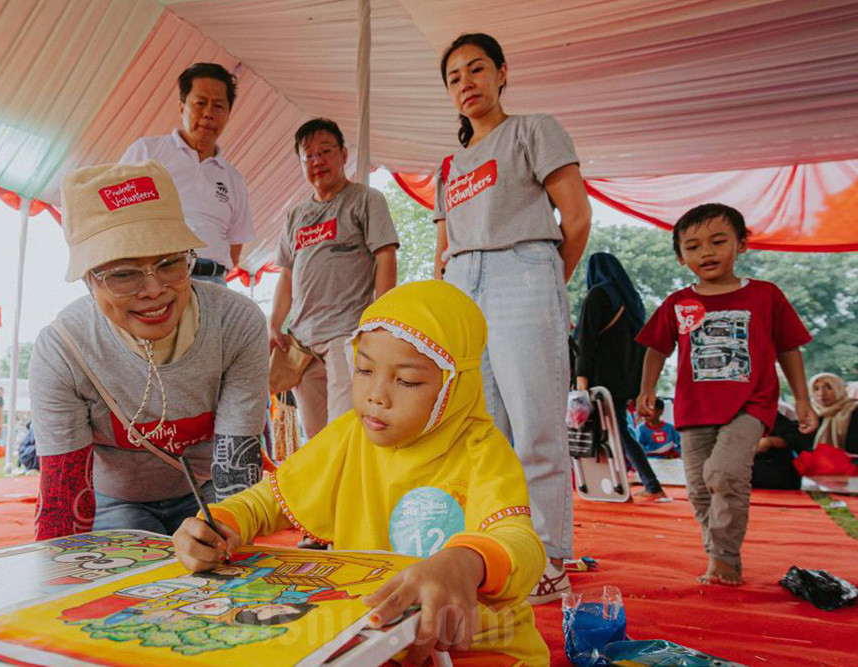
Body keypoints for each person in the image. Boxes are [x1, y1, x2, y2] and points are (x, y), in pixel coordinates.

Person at [175, 281, 549, 666]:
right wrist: (220, 522)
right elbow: (266, 499)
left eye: (407, 380)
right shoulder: (348, 435)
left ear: (458, 384)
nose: (376, 395)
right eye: (365, 369)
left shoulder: (480, 449)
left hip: (475, 644)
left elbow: (518, 540)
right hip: (371, 637)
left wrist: (468, 561)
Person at [432, 33, 591, 601]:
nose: (466, 83)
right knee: (484, 431)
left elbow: (575, 218)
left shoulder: (533, 129)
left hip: (524, 266)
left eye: (477, 69)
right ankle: (504, 547)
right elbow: (442, 249)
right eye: (454, 77)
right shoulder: (450, 164)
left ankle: (548, 558)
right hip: (462, 281)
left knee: (535, 426)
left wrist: (546, 284)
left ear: (502, 73)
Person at [29, 161, 268, 540]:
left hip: (206, 492)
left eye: (171, 263)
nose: (154, 289)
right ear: (89, 279)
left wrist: (226, 535)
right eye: (124, 274)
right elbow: (64, 501)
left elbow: (236, 477)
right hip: (114, 499)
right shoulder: (63, 349)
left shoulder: (236, 323)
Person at [636, 203, 817, 586]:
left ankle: (725, 560)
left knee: (725, 473)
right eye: (694, 246)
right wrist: (646, 390)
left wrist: (802, 398)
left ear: (742, 245)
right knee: (700, 488)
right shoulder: (677, 303)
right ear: (682, 257)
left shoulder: (765, 296)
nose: (707, 252)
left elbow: (789, 348)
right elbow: (656, 348)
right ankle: (716, 554)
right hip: (692, 409)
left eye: (719, 241)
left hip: (751, 403)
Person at [268, 118, 399, 438]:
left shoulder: (365, 200)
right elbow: (286, 273)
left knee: (347, 430)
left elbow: (386, 256)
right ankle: (327, 491)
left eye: (325, 151)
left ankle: (355, 489)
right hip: (302, 342)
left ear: (343, 154)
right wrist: (275, 322)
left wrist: (379, 318)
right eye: (308, 155)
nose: (317, 161)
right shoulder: (295, 215)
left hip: (346, 335)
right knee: (315, 439)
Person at [120, 63, 253, 284]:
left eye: (218, 106)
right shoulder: (147, 152)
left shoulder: (234, 179)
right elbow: (117, 214)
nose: (209, 113)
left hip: (213, 283)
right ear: (182, 107)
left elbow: (235, 245)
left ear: (228, 114)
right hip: (155, 279)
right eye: (200, 103)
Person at [575, 252, 669, 499]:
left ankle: (649, 485)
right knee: (618, 432)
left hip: (599, 380)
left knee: (605, 433)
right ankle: (626, 485)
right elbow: (641, 347)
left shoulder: (598, 295)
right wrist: (637, 388)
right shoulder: (632, 302)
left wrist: (581, 381)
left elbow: (586, 339)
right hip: (623, 382)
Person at [808, 373, 858, 453]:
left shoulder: (853, 409)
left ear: (839, 388)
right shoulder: (812, 415)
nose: (822, 394)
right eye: (816, 389)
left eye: (829, 388)